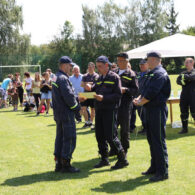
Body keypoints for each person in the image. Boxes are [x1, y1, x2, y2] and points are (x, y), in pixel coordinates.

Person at [85, 56, 128, 170]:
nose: (98, 69)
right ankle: (104, 159)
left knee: (111, 136)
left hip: (110, 110)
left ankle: (122, 159)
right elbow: (94, 91)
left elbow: (118, 95)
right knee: (99, 135)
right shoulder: (99, 78)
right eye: (97, 66)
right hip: (99, 110)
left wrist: (103, 98)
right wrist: (85, 96)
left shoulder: (114, 77)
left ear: (106, 65)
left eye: (99, 66)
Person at [133, 52, 171, 182]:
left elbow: (152, 93)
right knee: (151, 139)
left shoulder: (160, 73)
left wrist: (140, 102)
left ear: (154, 59)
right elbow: (144, 90)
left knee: (158, 141)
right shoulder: (151, 73)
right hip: (149, 109)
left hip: (157, 110)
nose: (146, 62)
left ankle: (163, 171)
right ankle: (154, 167)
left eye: (148, 60)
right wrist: (138, 98)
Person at [52, 56, 80, 173]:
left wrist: (77, 98)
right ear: (64, 65)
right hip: (66, 113)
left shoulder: (55, 77)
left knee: (60, 137)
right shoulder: (63, 78)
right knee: (69, 138)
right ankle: (66, 164)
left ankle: (58, 163)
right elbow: (68, 97)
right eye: (70, 65)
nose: (71, 68)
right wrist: (77, 108)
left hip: (58, 113)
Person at [110, 52, 138, 157]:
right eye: (118, 60)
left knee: (124, 129)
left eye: (121, 60)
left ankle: (124, 150)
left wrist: (126, 89)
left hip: (125, 105)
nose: (119, 62)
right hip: (113, 104)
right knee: (112, 128)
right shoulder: (113, 72)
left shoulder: (131, 74)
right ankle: (114, 148)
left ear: (127, 61)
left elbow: (135, 90)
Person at [176, 58, 195, 134]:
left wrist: (185, 78)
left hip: (193, 95)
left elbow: (191, 77)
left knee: (194, 112)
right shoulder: (183, 72)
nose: (186, 64)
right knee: (183, 112)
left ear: (192, 63)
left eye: (187, 62)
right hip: (184, 95)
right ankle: (184, 129)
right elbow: (178, 81)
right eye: (185, 62)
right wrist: (186, 79)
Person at [81, 62, 99, 129]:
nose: (89, 68)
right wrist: (89, 83)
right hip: (85, 93)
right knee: (83, 108)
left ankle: (91, 122)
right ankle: (86, 122)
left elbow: (96, 84)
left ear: (94, 67)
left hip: (93, 94)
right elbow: (82, 84)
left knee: (92, 109)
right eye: (88, 67)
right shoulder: (85, 75)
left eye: (91, 67)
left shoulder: (96, 75)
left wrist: (87, 83)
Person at [137, 59, 149, 134]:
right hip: (138, 97)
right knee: (140, 113)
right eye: (140, 65)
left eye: (143, 65)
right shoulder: (138, 74)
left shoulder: (149, 74)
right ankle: (144, 128)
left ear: (147, 65)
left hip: (145, 97)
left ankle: (147, 129)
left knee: (145, 114)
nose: (141, 66)